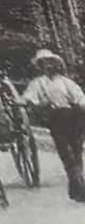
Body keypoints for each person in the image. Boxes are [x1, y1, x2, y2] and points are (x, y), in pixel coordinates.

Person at [17, 49, 85, 202]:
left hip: (74, 118)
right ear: (41, 66)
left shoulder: (66, 82)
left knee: (77, 151)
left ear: (56, 64)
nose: (48, 66)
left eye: (50, 62)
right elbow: (28, 97)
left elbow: (80, 99)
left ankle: (76, 188)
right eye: (44, 63)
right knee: (66, 154)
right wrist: (23, 102)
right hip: (55, 119)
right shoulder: (38, 83)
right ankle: (80, 186)